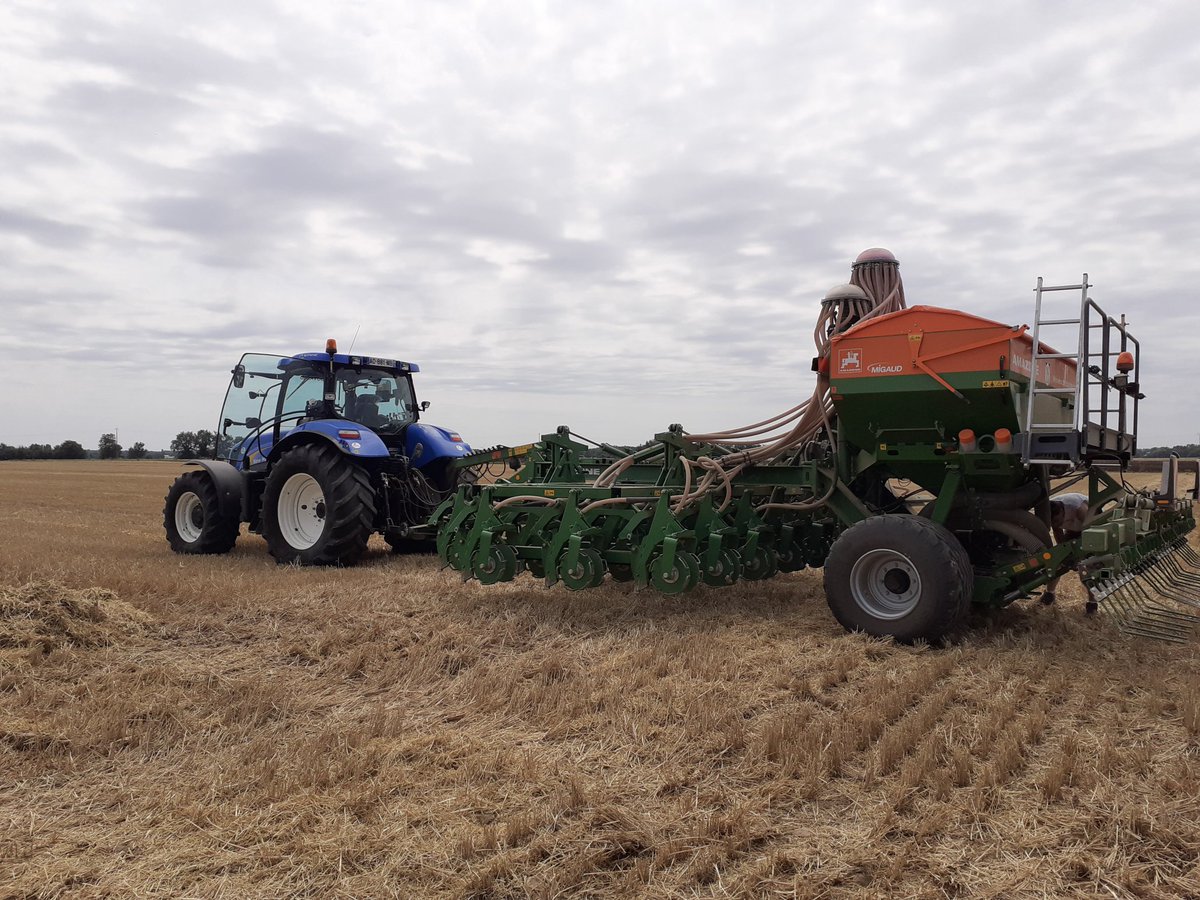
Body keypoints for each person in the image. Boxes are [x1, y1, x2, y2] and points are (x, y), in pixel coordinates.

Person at [1042, 492, 1096, 612]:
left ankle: (1092, 604)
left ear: (1062, 512)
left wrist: (1079, 556)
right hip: (1073, 530)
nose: (1055, 524)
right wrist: (1064, 553)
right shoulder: (1051, 511)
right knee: (1057, 561)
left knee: (1087, 567)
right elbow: (1058, 535)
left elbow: (1092, 532)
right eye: (1052, 523)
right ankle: (1049, 594)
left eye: (1056, 521)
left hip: (1091, 529)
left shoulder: (1078, 508)